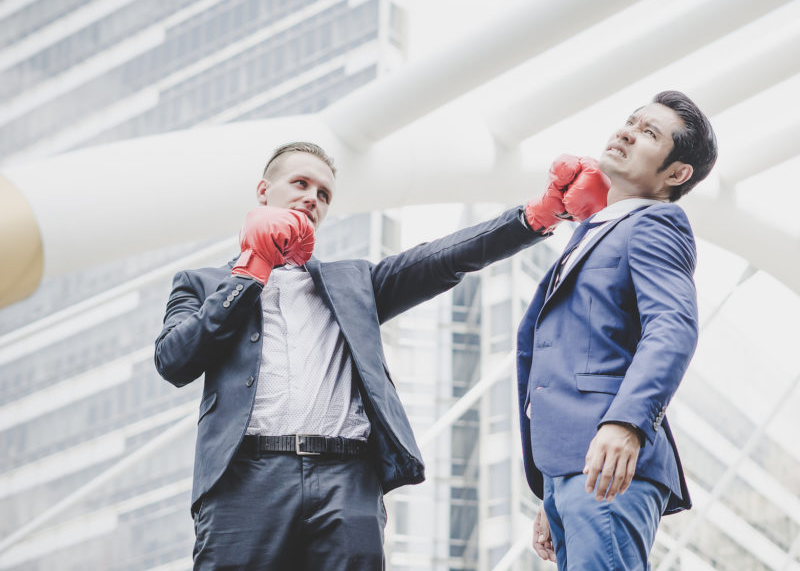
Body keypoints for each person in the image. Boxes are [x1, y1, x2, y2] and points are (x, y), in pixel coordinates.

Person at [153, 141, 608, 570]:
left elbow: (443, 257)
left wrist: (537, 214)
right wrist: (250, 269)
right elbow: (175, 360)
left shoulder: (355, 283)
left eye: (324, 193)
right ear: (263, 191)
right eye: (300, 184)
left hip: (346, 479)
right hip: (245, 482)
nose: (312, 197)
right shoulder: (202, 283)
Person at [518, 91, 718, 570]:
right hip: (574, 466)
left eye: (649, 133)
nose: (627, 132)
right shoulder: (598, 230)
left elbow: (672, 328)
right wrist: (555, 487)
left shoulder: (656, 224)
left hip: (610, 458)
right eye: (630, 122)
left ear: (676, 174)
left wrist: (626, 423)